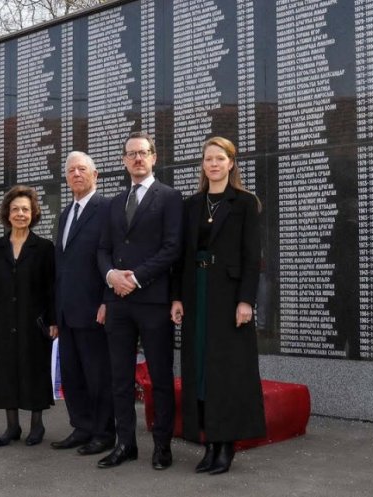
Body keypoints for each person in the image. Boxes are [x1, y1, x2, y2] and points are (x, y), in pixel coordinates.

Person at [170, 137, 265, 475]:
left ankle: (226, 446)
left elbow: (252, 257)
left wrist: (246, 300)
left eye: (220, 159)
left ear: (231, 163)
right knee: (199, 370)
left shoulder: (245, 202)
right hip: (196, 293)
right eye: (208, 159)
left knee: (227, 372)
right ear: (203, 164)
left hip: (228, 296)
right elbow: (181, 255)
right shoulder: (192, 205)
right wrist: (177, 296)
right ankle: (209, 442)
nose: (213, 164)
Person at [96, 131, 183, 470]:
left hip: (153, 302)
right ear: (123, 160)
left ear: (154, 157)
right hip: (118, 302)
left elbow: (172, 248)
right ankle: (125, 444)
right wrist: (111, 276)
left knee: (160, 377)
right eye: (131, 154)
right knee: (120, 378)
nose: (137, 158)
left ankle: (162, 447)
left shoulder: (170, 197)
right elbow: (103, 249)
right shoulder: (114, 202)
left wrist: (135, 278)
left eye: (143, 152)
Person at [0, 185, 58, 447]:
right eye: (15, 209)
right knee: (6, 370)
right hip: (3, 320)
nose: (20, 214)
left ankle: (37, 425)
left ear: (33, 214)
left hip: (34, 321)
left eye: (25, 209)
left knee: (35, 369)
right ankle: (12, 427)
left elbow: (52, 287)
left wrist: (53, 320)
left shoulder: (44, 248)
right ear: (7, 213)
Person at [51, 151, 115, 455]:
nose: (76, 174)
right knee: (73, 374)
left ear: (95, 175)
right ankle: (82, 427)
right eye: (71, 170)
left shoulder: (107, 209)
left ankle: (104, 433)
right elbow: (61, 265)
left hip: (94, 310)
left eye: (82, 169)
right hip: (67, 311)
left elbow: (113, 257)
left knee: (97, 375)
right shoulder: (66, 214)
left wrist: (107, 301)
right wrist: (55, 311)